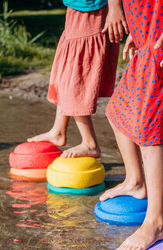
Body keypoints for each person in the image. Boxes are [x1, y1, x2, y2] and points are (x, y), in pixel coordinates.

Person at [100, 0, 163, 250]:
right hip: (147, 39)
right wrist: (135, 28)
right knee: (116, 112)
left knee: (149, 133)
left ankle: (156, 221)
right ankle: (135, 181)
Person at [28, 0, 128, 158]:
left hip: (90, 11)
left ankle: (90, 143)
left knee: (76, 78)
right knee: (65, 69)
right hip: (77, 9)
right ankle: (58, 130)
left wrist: (115, 6)